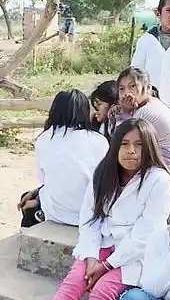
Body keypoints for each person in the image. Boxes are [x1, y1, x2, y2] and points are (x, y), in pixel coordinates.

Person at [27, 118, 170, 300]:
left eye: (138, 145)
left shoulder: (159, 180)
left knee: (103, 289)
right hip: (102, 246)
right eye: (124, 144)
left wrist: (107, 265)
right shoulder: (104, 173)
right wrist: (91, 257)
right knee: (74, 281)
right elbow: (90, 220)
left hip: (135, 255)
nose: (131, 151)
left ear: (149, 147)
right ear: (115, 146)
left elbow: (146, 233)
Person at [17, 89, 108, 228]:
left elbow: (45, 180)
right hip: (90, 214)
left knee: (27, 200)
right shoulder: (100, 141)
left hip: (57, 214)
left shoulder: (44, 139)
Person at [117, 66, 170, 178]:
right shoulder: (150, 104)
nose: (126, 93)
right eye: (121, 89)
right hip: (166, 164)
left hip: (165, 167)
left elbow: (121, 140)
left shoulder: (146, 112)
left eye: (132, 86)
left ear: (148, 88)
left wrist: (124, 113)